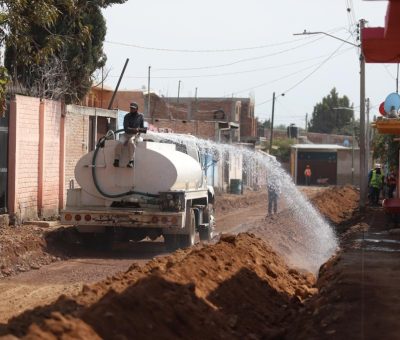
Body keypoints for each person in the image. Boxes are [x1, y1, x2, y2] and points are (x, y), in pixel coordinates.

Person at [113, 102, 144, 168]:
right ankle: (116, 160)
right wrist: (135, 129)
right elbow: (126, 128)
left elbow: (142, 128)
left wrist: (139, 132)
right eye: (131, 108)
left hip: (135, 135)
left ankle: (131, 161)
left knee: (131, 143)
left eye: (133, 108)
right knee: (120, 143)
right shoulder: (127, 116)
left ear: (136, 109)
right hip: (126, 134)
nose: (131, 109)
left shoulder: (140, 117)